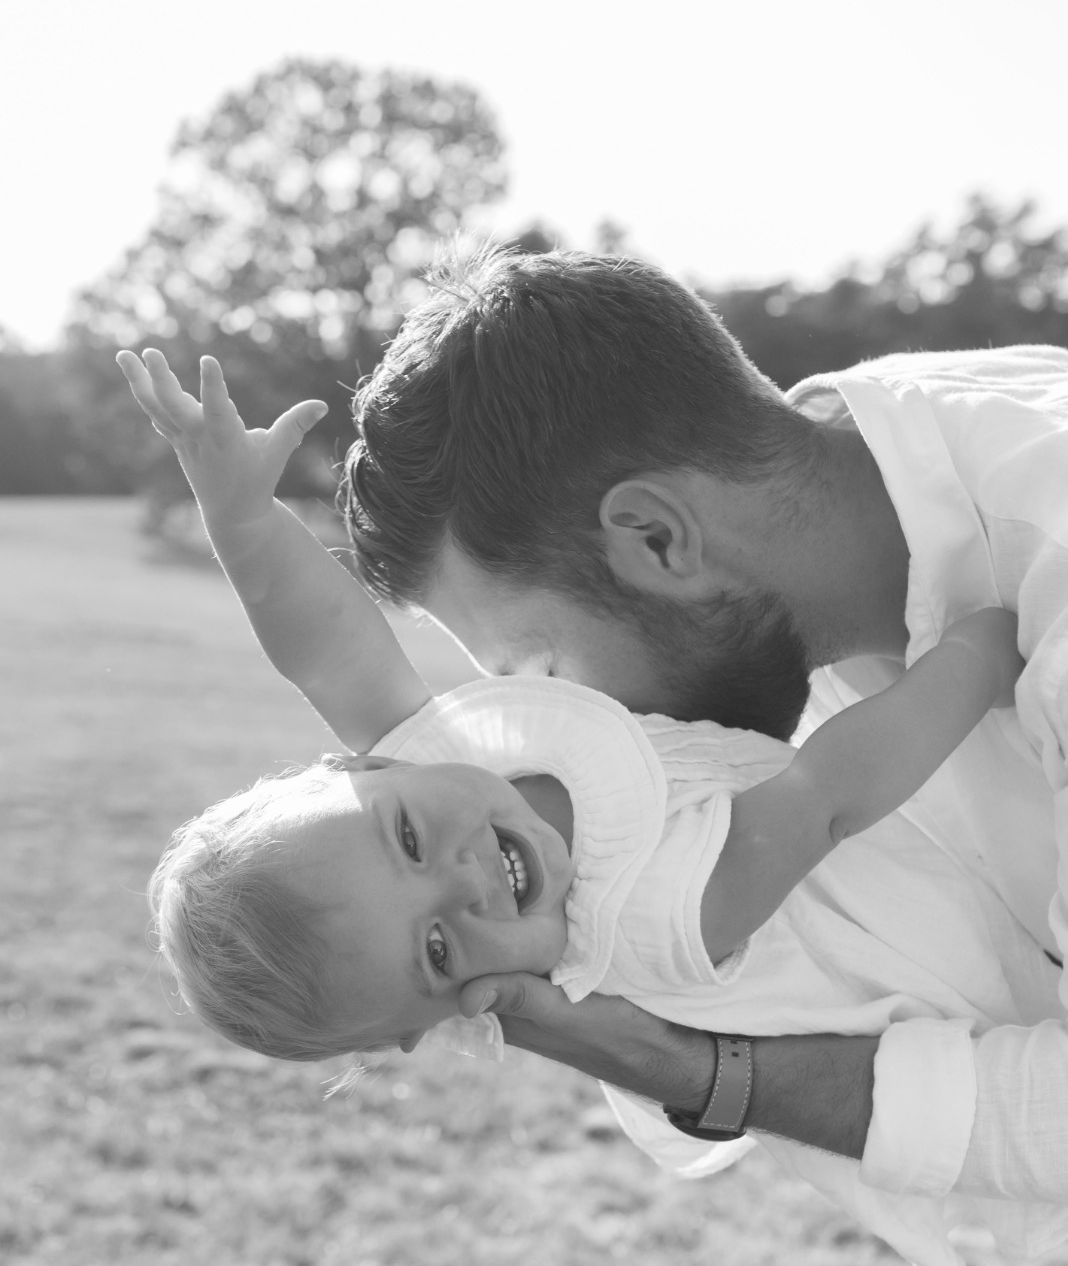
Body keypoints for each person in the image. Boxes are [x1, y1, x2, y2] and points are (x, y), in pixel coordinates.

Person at [118, 347, 1059, 1266]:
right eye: (440, 951)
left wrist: (238, 513)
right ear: (448, 1017)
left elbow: (326, 650)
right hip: (944, 942)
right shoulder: (639, 916)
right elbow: (825, 799)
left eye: (408, 841)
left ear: (360, 763)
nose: (466, 882)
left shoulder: (445, 763)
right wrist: (970, 661)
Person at [343, 242, 1068, 1216]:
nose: (576, 727)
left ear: (656, 539)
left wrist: (702, 1073)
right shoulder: (867, 473)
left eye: (543, 672)